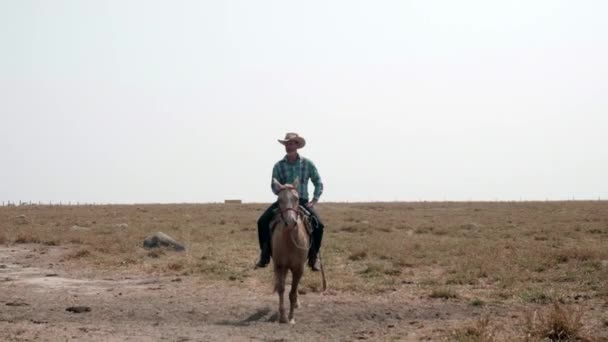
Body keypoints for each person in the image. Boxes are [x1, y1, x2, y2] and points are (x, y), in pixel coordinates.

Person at [255, 132, 325, 271]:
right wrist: (281, 190)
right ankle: (265, 255)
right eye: (287, 143)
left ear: (297, 145)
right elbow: (273, 185)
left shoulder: (307, 164)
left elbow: (318, 182)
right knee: (262, 222)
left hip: (302, 201)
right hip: (283, 202)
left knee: (319, 225)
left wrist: (314, 199)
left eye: (292, 143)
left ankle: (313, 257)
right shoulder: (278, 166)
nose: (289, 145)